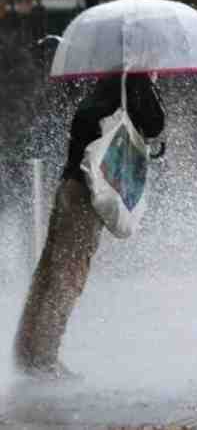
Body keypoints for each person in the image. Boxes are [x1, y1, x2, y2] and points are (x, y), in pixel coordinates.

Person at [13, 72, 165, 379]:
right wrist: (148, 84)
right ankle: (43, 360)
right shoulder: (131, 83)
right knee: (68, 275)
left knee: (49, 272)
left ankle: (28, 352)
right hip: (87, 193)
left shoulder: (101, 87)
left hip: (71, 185)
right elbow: (155, 125)